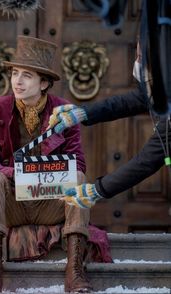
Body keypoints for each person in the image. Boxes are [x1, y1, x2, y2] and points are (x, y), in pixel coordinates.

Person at [0, 35, 93, 293]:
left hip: (49, 201)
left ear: (44, 83)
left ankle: (75, 270)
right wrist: (20, 173)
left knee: (80, 180)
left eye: (26, 75)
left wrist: (44, 173)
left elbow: (78, 164)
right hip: (12, 203)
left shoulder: (64, 111)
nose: (17, 81)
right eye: (15, 73)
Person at [48, 41, 170, 208]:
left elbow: (147, 160)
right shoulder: (159, 87)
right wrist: (82, 113)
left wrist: (98, 190)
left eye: (141, 58)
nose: (137, 64)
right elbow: (134, 100)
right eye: (137, 55)